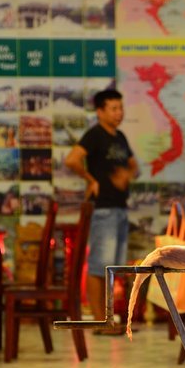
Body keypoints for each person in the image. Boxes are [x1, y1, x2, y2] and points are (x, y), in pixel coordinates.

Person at [64, 89, 138, 334]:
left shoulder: (121, 137)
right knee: (99, 267)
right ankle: (99, 321)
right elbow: (72, 159)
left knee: (114, 267)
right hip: (103, 208)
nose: (119, 113)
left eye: (121, 107)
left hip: (120, 208)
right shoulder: (95, 135)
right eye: (114, 108)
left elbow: (134, 166)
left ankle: (109, 320)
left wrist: (126, 174)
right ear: (100, 111)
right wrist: (90, 179)